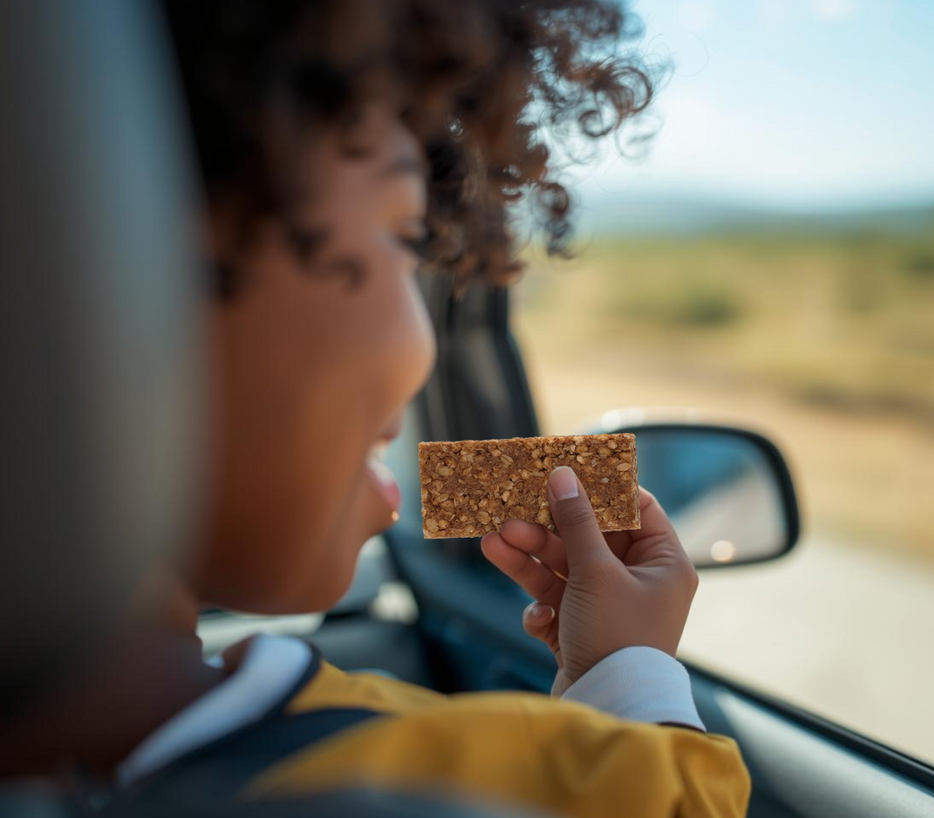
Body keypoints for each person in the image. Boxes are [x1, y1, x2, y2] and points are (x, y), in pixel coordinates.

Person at [1, 1, 750, 815]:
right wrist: (629, 678)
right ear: (110, 265)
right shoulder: (427, 782)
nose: (423, 347)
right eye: (402, 237)